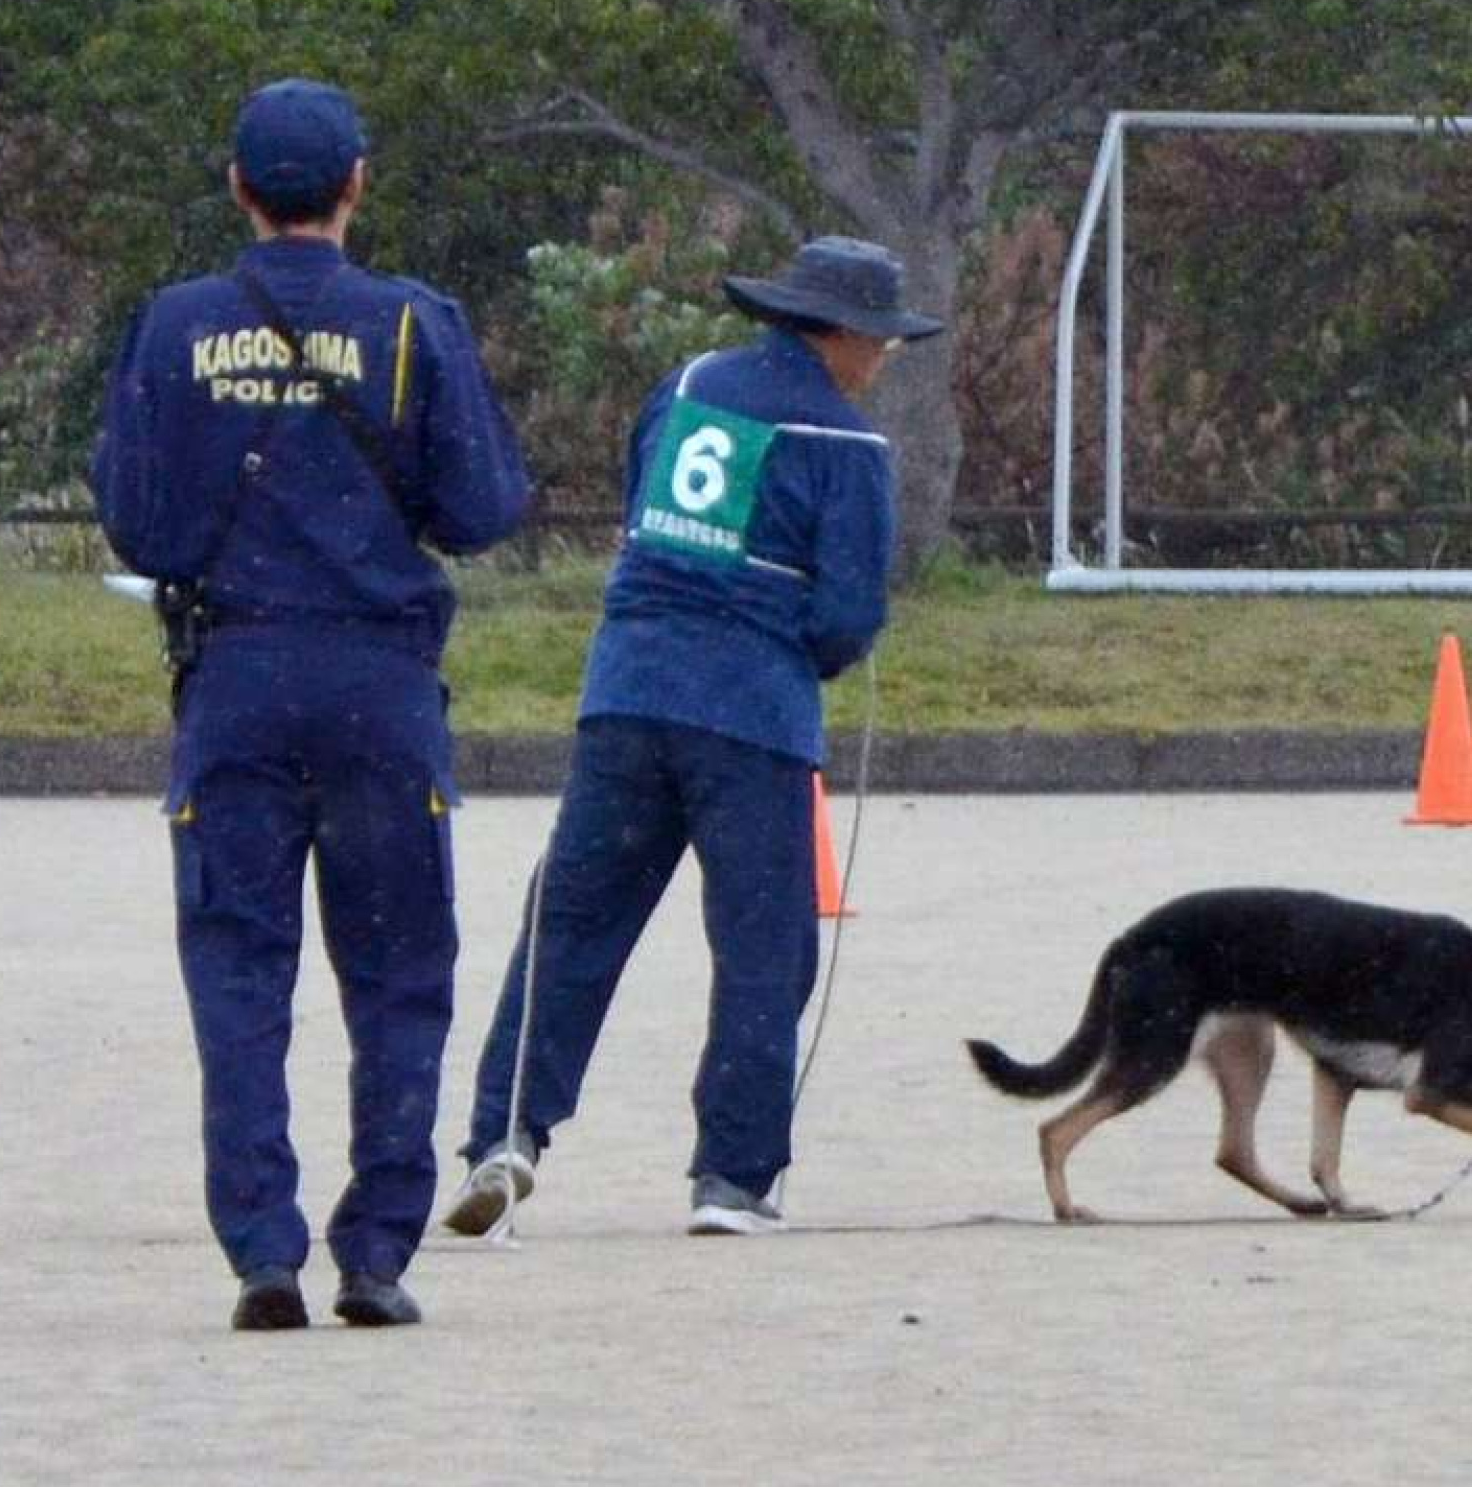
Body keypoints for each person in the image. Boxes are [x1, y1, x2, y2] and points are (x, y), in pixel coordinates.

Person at [90, 79, 530, 1328]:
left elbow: (135, 516)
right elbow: (483, 508)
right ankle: (379, 1248)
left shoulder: (175, 326)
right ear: (357, 185)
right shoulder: (411, 323)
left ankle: (262, 1248)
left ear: (237, 187)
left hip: (233, 678)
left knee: (238, 969)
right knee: (398, 970)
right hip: (380, 686)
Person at [443, 235, 942, 1238]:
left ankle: (507, 1132)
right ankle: (733, 1176)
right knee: (764, 945)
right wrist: (806, 648)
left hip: (627, 689)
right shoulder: (850, 445)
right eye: (880, 341)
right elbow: (848, 612)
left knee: (573, 922)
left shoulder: (688, 385)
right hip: (754, 713)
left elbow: (645, 512)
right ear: (839, 333)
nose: (884, 359)